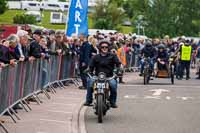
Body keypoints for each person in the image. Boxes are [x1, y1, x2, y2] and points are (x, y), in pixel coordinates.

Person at [84, 40, 121, 108]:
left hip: (109, 76)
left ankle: (113, 102)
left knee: (113, 86)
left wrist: (119, 69)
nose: (104, 48)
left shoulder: (113, 56)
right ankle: (88, 100)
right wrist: (88, 70)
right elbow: (91, 66)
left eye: (106, 47)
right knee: (90, 83)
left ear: (108, 48)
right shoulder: (95, 57)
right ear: (100, 48)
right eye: (103, 47)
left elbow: (118, 64)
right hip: (97, 76)